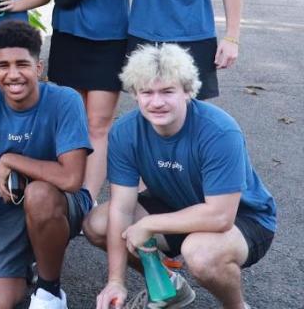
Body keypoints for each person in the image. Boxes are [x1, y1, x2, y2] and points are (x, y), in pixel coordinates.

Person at [85, 44, 275, 309]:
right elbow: (121, 208)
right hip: (176, 205)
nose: (157, 102)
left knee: (200, 253)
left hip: (243, 218)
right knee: (99, 223)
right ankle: (169, 286)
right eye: (147, 92)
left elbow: (220, 216)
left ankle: (238, 307)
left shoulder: (219, 130)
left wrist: (149, 225)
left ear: (187, 91)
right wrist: (116, 281)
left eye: (167, 91)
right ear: (135, 94)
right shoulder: (125, 132)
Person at [0, 21, 92, 309]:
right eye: (3, 65)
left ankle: (50, 290)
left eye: (22, 64)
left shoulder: (65, 101)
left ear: (38, 68)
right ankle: (24, 262)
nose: (13, 74)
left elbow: (72, 179)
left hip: (59, 202)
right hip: (5, 211)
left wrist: (11, 159)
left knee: (39, 195)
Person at [41, 0, 136, 202]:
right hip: (68, 37)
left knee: (98, 124)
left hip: (108, 40)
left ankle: (87, 199)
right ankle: (67, 185)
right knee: (69, 121)